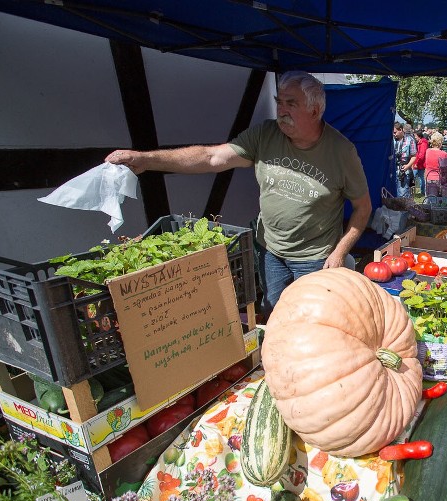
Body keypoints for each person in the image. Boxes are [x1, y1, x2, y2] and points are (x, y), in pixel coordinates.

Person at [106, 71, 371, 319]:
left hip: (315, 258)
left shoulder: (341, 152)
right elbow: (212, 158)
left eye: (291, 103)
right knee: (274, 314)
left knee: (314, 320)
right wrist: (145, 160)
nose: (281, 110)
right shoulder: (265, 135)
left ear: (315, 109)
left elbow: (363, 208)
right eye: (280, 102)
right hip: (270, 252)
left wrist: (339, 252)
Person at [393, 122, 417, 198]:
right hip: (392, 171)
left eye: (395, 132)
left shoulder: (410, 140)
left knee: (403, 194)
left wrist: (407, 166)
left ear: (400, 130)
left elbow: (414, 156)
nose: (394, 134)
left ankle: (404, 209)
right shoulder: (391, 140)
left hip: (404, 172)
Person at [413, 130, 429, 196]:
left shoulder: (423, 143)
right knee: (420, 178)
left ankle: (422, 192)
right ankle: (422, 192)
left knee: (418, 178)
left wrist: (416, 163)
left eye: (415, 136)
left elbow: (421, 155)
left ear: (419, 136)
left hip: (420, 163)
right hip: (419, 163)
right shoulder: (421, 142)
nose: (415, 137)